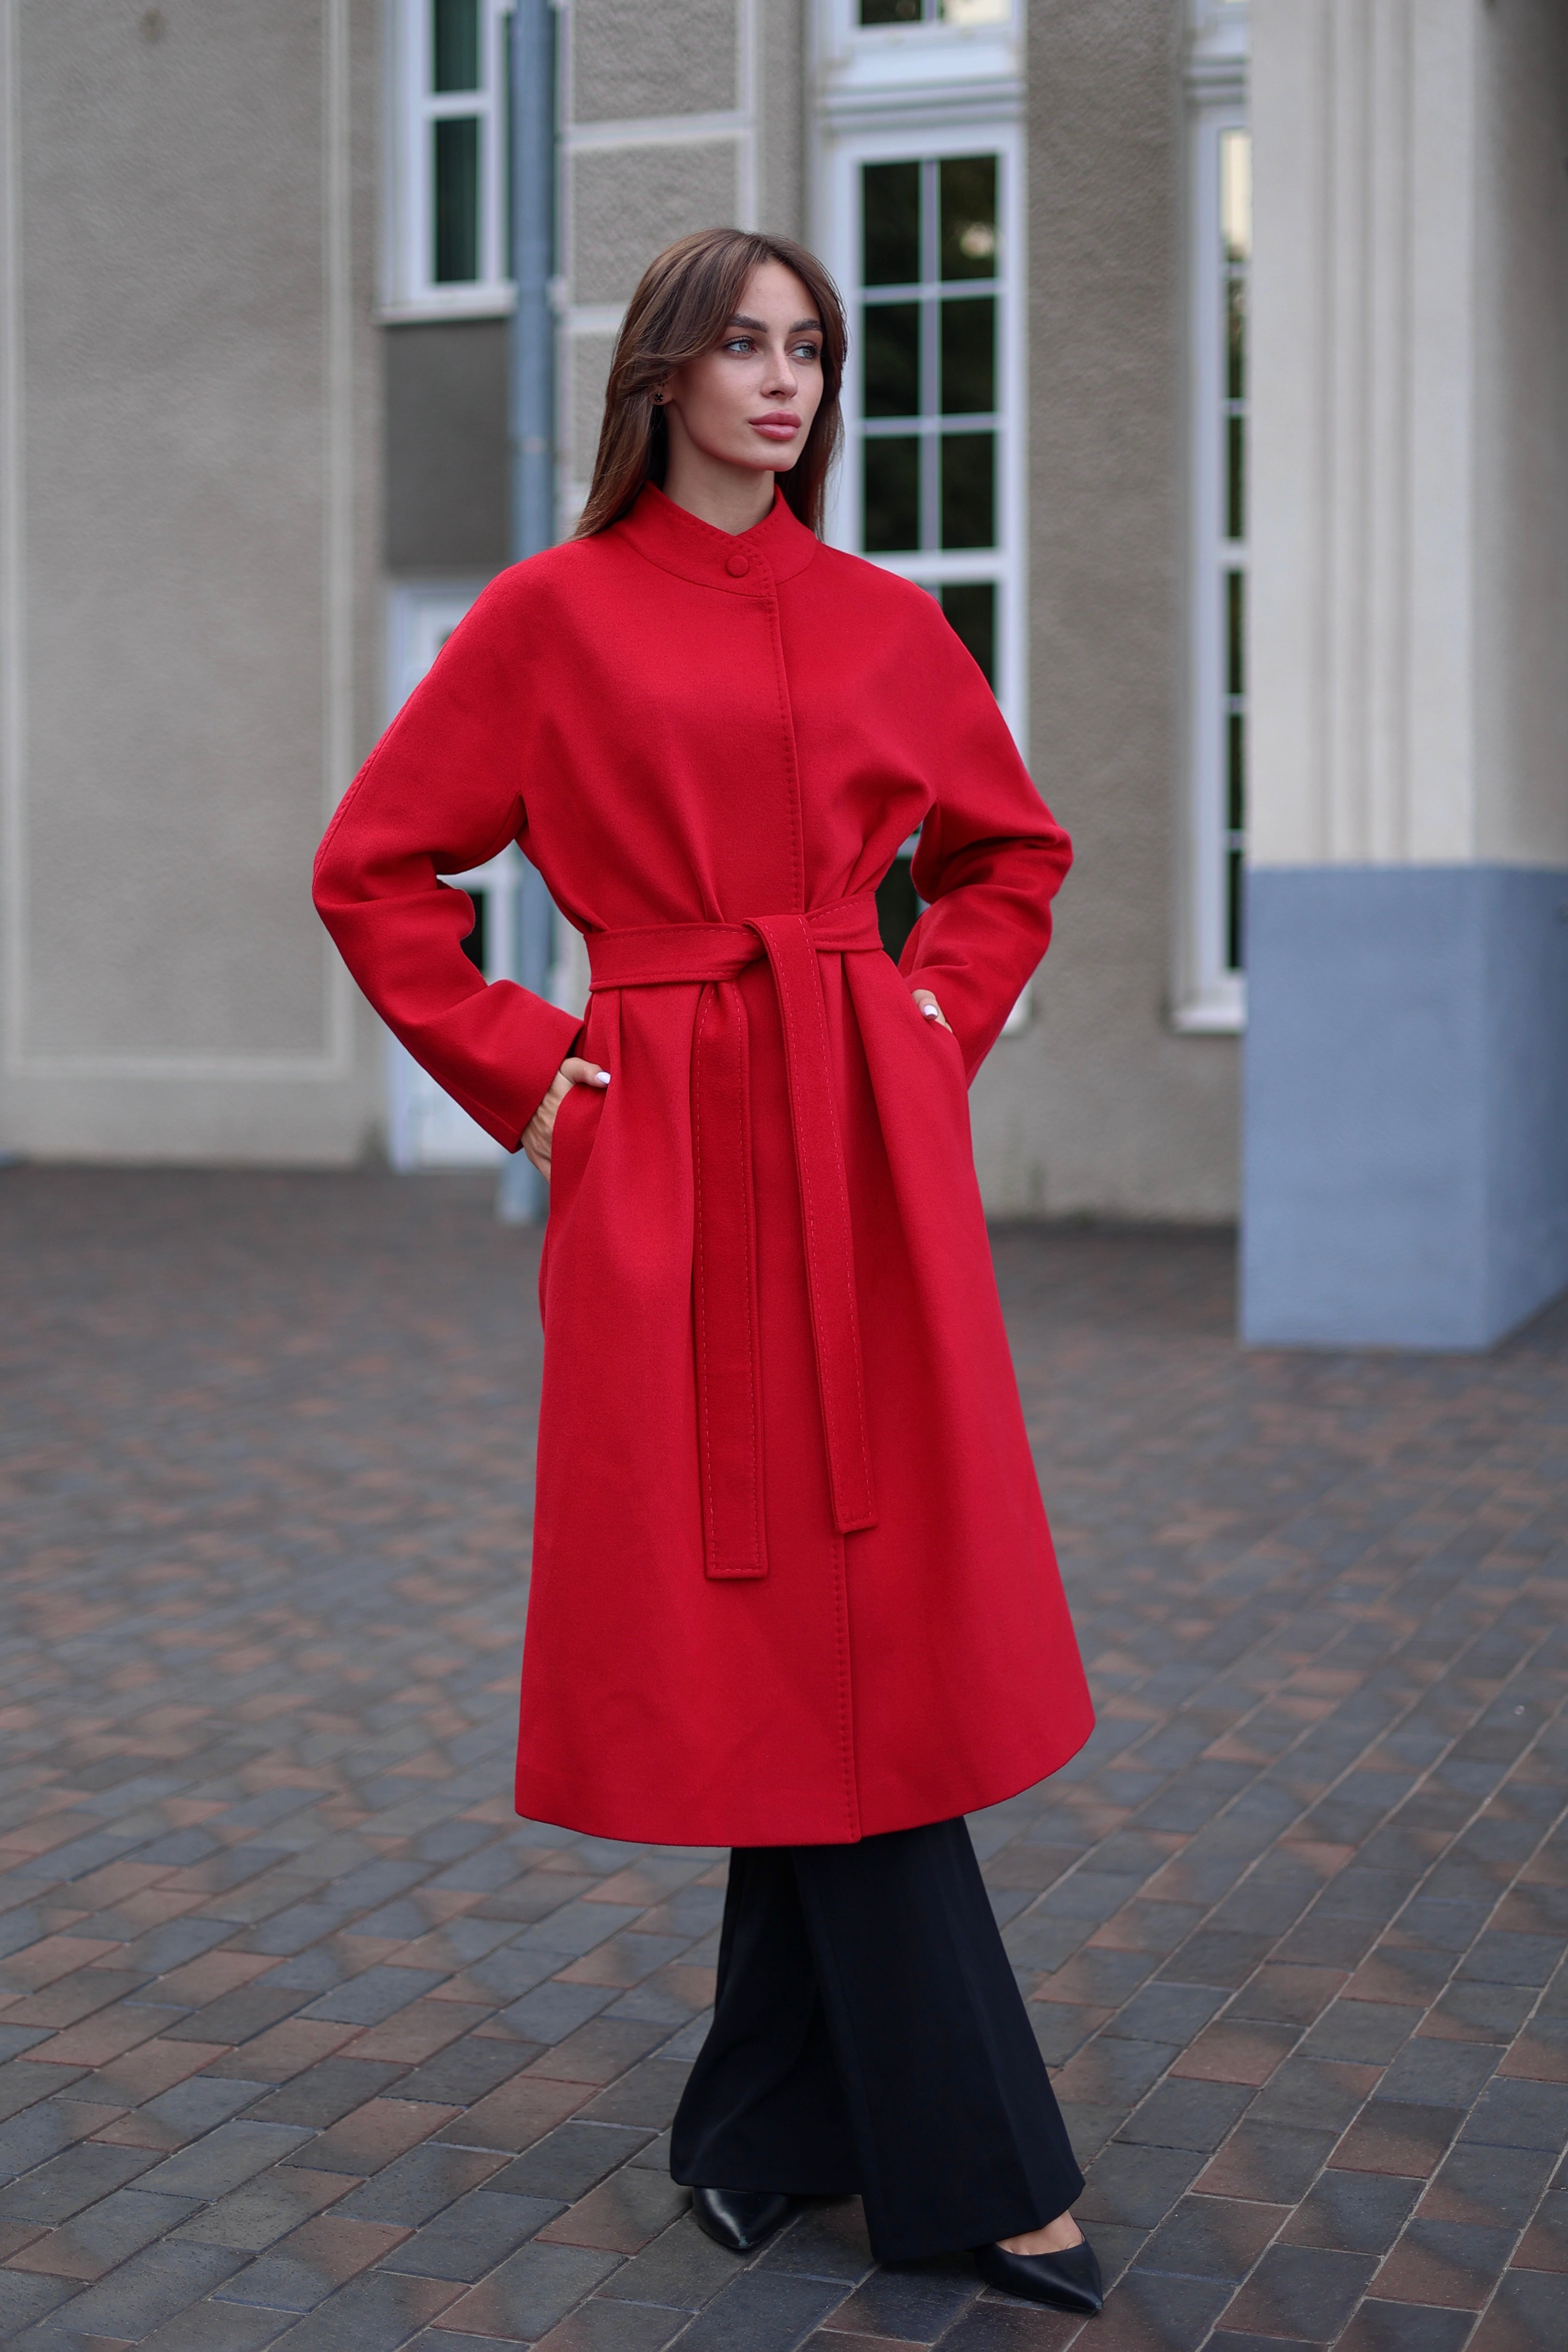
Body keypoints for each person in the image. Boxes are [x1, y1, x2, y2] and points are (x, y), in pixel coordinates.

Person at [313, 227, 1101, 2315]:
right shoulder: (548, 618)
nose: (786, 381)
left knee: (857, 1629)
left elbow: (1009, 856)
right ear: (661, 372)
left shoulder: (879, 622)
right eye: (745, 346)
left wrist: (930, 1029)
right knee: (789, 1625)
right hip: (672, 1158)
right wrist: (542, 1079)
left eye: (813, 351)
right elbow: (376, 870)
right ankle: (981, 2159)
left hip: (865, 1151)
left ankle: (759, 2124)